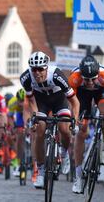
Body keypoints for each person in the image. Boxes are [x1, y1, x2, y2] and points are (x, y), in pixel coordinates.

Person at [20, 51, 80, 189]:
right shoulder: (26, 78)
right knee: (39, 131)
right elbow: (30, 100)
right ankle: (40, 172)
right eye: (34, 69)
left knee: (64, 129)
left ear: (46, 67)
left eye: (40, 69)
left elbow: (75, 102)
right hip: (41, 102)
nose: (37, 73)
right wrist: (34, 117)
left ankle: (64, 154)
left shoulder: (57, 75)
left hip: (59, 100)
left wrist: (75, 120)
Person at [69, 55, 104, 193]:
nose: (90, 82)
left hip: (102, 92)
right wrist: (75, 121)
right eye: (86, 79)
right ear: (81, 74)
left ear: (97, 74)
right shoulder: (74, 78)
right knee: (81, 132)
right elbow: (72, 103)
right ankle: (78, 176)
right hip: (82, 95)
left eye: (93, 78)